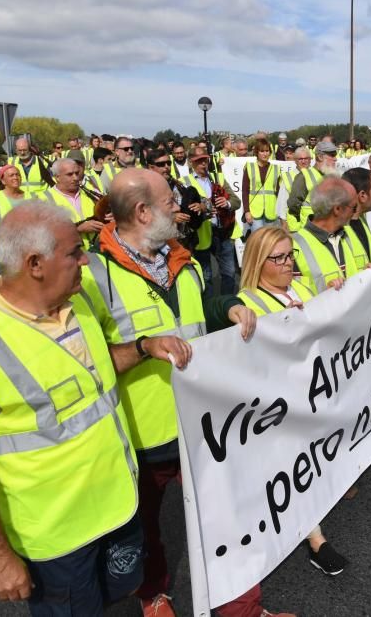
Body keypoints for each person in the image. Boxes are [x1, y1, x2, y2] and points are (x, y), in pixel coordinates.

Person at [78, 169, 290, 617]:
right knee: (144, 528)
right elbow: (85, 363)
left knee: (229, 520)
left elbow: (199, 312)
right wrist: (142, 348)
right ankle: (153, 595)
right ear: (142, 212)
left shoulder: (184, 261)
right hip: (142, 435)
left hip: (202, 425)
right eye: (169, 201)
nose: (179, 207)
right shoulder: (93, 276)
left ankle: (242, 610)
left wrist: (227, 306)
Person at [0, 202, 145, 615]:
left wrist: (143, 348)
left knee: (117, 601)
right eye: (74, 252)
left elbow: (93, 373)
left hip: (118, 506)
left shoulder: (76, 302)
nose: (86, 259)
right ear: (35, 263)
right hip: (57, 540)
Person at [236, 226, 350, 578]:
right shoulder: (246, 304)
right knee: (291, 465)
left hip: (311, 391)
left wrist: (329, 297)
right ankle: (315, 539)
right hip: (279, 403)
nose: (289, 263)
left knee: (309, 460)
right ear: (258, 261)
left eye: (291, 255)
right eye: (279, 258)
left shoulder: (297, 288)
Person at [181, 147, 242, 294]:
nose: (203, 164)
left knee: (229, 273)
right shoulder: (184, 182)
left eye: (205, 160)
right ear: (191, 163)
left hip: (222, 233)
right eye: (198, 161)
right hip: (201, 235)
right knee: (206, 276)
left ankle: (227, 304)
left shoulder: (218, 178)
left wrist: (226, 203)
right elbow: (184, 210)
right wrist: (203, 209)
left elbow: (236, 201)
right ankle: (210, 307)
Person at [290, 177, 365, 294]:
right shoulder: (293, 247)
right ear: (338, 209)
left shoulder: (349, 233)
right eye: (354, 207)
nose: (355, 212)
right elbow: (295, 298)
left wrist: (367, 274)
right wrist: (326, 294)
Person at [38, 158, 105, 248]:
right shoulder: (43, 199)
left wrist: (108, 217)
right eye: (70, 174)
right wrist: (77, 229)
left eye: (77, 173)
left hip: (98, 253)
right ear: (57, 177)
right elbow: (43, 235)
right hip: (68, 256)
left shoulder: (92, 193)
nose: (76, 178)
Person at [147, 149, 204, 252]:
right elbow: (141, 218)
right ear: (151, 167)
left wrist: (201, 206)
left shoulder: (179, 184)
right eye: (161, 164)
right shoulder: (144, 190)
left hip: (186, 244)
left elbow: (206, 201)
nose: (166, 167)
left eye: (168, 163)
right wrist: (170, 218)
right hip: (160, 246)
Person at [287, 141, 336, 232]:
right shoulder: (304, 176)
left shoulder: (330, 176)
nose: (335, 159)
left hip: (325, 229)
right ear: (320, 157)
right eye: (332, 155)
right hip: (308, 230)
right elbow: (293, 204)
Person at [242, 138, 280, 233]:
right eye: (262, 151)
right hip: (254, 211)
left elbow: (279, 192)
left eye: (267, 151)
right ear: (257, 152)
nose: (265, 154)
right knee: (258, 240)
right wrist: (247, 211)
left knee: (269, 240)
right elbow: (245, 191)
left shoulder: (276, 168)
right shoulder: (250, 167)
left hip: (271, 210)